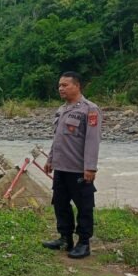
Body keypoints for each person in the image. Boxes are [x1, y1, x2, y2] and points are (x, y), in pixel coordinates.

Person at [42, 71, 102, 259]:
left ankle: (83, 243)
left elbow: (93, 141)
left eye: (65, 85)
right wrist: (50, 159)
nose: (61, 88)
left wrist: (90, 167)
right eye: (59, 85)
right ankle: (65, 238)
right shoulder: (62, 110)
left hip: (78, 169)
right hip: (61, 167)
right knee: (60, 203)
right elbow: (57, 139)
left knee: (84, 206)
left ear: (77, 86)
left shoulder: (89, 110)